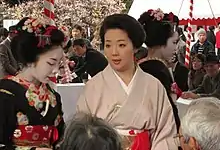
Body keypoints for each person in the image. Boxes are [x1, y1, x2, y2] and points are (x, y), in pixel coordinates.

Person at [77, 14, 178, 150]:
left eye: (121, 45)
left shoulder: (153, 86)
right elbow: (82, 134)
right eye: (108, 45)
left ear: (135, 47)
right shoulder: (93, 87)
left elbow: (165, 134)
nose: (114, 52)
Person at [0, 17, 65, 150]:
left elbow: (60, 138)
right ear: (30, 59)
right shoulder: (5, 93)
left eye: (59, 64)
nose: (56, 70)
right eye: (51, 63)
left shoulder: (53, 96)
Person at [138, 9, 181, 131]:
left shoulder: (142, 64)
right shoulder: (157, 69)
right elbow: (167, 111)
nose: (176, 48)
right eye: (174, 42)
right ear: (162, 42)